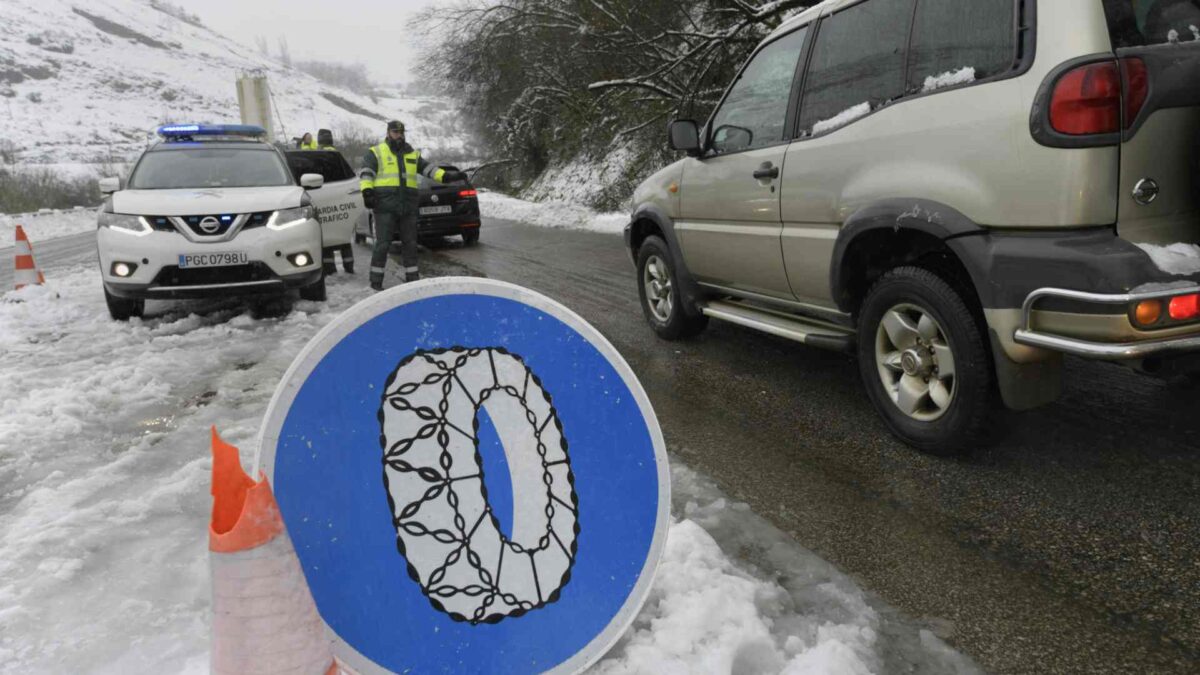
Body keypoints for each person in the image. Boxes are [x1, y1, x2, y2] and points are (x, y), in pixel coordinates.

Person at [359, 120, 465, 290]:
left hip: (407, 206)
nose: (399, 135)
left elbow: (428, 169)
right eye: (395, 132)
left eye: (401, 132)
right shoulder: (376, 152)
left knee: (410, 244)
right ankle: (376, 282)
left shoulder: (411, 154)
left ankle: (412, 280)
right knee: (383, 244)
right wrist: (367, 191)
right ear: (388, 133)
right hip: (385, 206)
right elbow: (366, 173)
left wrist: (447, 177)